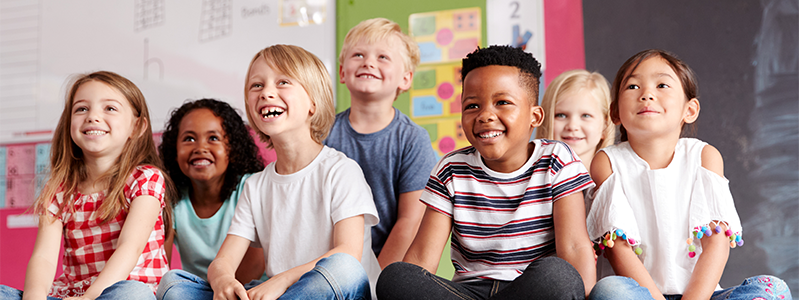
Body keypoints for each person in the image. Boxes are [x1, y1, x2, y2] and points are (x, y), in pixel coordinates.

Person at [376, 45, 596, 300]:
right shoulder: (451, 169)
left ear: (535, 116)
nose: (485, 115)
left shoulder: (557, 160)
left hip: (529, 291)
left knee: (558, 276)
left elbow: (574, 247)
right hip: (466, 294)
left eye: (502, 102)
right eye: (472, 106)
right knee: (396, 278)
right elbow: (422, 259)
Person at [172, 44, 379, 300]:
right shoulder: (255, 186)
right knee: (175, 283)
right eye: (256, 85)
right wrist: (224, 280)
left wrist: (281, 281)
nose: (266, 92)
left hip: (330, 292)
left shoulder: (341, 171)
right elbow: (222, 262)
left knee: (343, 267)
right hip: (279, 294)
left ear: (313, 103)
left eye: (282, 82)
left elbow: (348, 254)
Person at [586, 49, 792, 300]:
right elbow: (618, 249)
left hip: (699, 295)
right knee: (610, 291)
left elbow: (716, 244)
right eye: (632, 87)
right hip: (639, 295)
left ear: (690, 110)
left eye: (662, 85)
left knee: (773, 288)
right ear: (616, 112)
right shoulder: (607, 162)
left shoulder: (704, 157)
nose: (647, 94)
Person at [0, 71, 174, 300]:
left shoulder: (145, 178)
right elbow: (43, 257)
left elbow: (129, 248)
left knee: (131, 294)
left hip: (127, 289)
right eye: (81, 108)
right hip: (74, 294)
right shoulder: (59, 189)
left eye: (109, 108)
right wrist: (34, 297)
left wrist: (91, 297)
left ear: (137, 127)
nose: (92, 116)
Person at [326, 17, 438, 268]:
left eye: (383, 57)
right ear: (343, 72)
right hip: (330, 263)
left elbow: (409, 221)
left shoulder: (412, 139)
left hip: (385, 267)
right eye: (358, 55)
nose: (368, 62)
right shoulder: (323, 133)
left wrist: (373, 283)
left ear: (405, 79)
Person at [156, 99, 266, 300]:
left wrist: (225, 291)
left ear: (232, 149)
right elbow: (161, 261)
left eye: (213, 138)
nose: (200, 148)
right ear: (174, 150)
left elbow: (256, 265)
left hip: (248, 289)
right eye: (189, 139)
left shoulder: (250, 187)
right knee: (171, 284)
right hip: (201, 292)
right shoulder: (171, 199)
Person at [536, 69, 614, 171]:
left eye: (585, 116)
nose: (572, 126)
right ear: (545, 120)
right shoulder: (532, 182)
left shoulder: (617, 182)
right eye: (561, 115)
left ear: (605, 125)